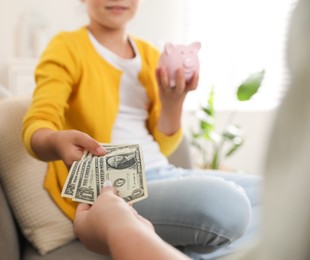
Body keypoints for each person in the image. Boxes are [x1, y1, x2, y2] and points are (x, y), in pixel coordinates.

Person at [22, 0, 261, 258]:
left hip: (164, 172)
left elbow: (164, 145)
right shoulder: (66, 47)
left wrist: (173, 102)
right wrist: (57, 141)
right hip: (111, 189)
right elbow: (38, 125)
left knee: (273, 192)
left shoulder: (150, 54)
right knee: (227, 205)